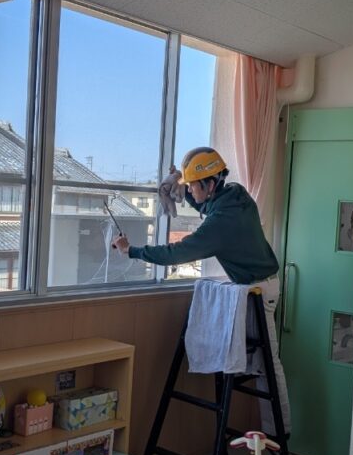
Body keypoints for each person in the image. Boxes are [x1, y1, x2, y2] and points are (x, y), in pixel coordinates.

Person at [112, 147, 291, 433]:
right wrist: (184, 192)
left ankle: (279, 433)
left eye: (193, 186)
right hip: (260, 284)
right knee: (264, 365)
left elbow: (177, 253)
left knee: (267, 367)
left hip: (259, 291)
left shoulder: (220, 225)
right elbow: (209, 207)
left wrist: (131, 250)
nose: (190, 191)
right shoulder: (236, 194)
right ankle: (274, 433)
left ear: (210, 184)